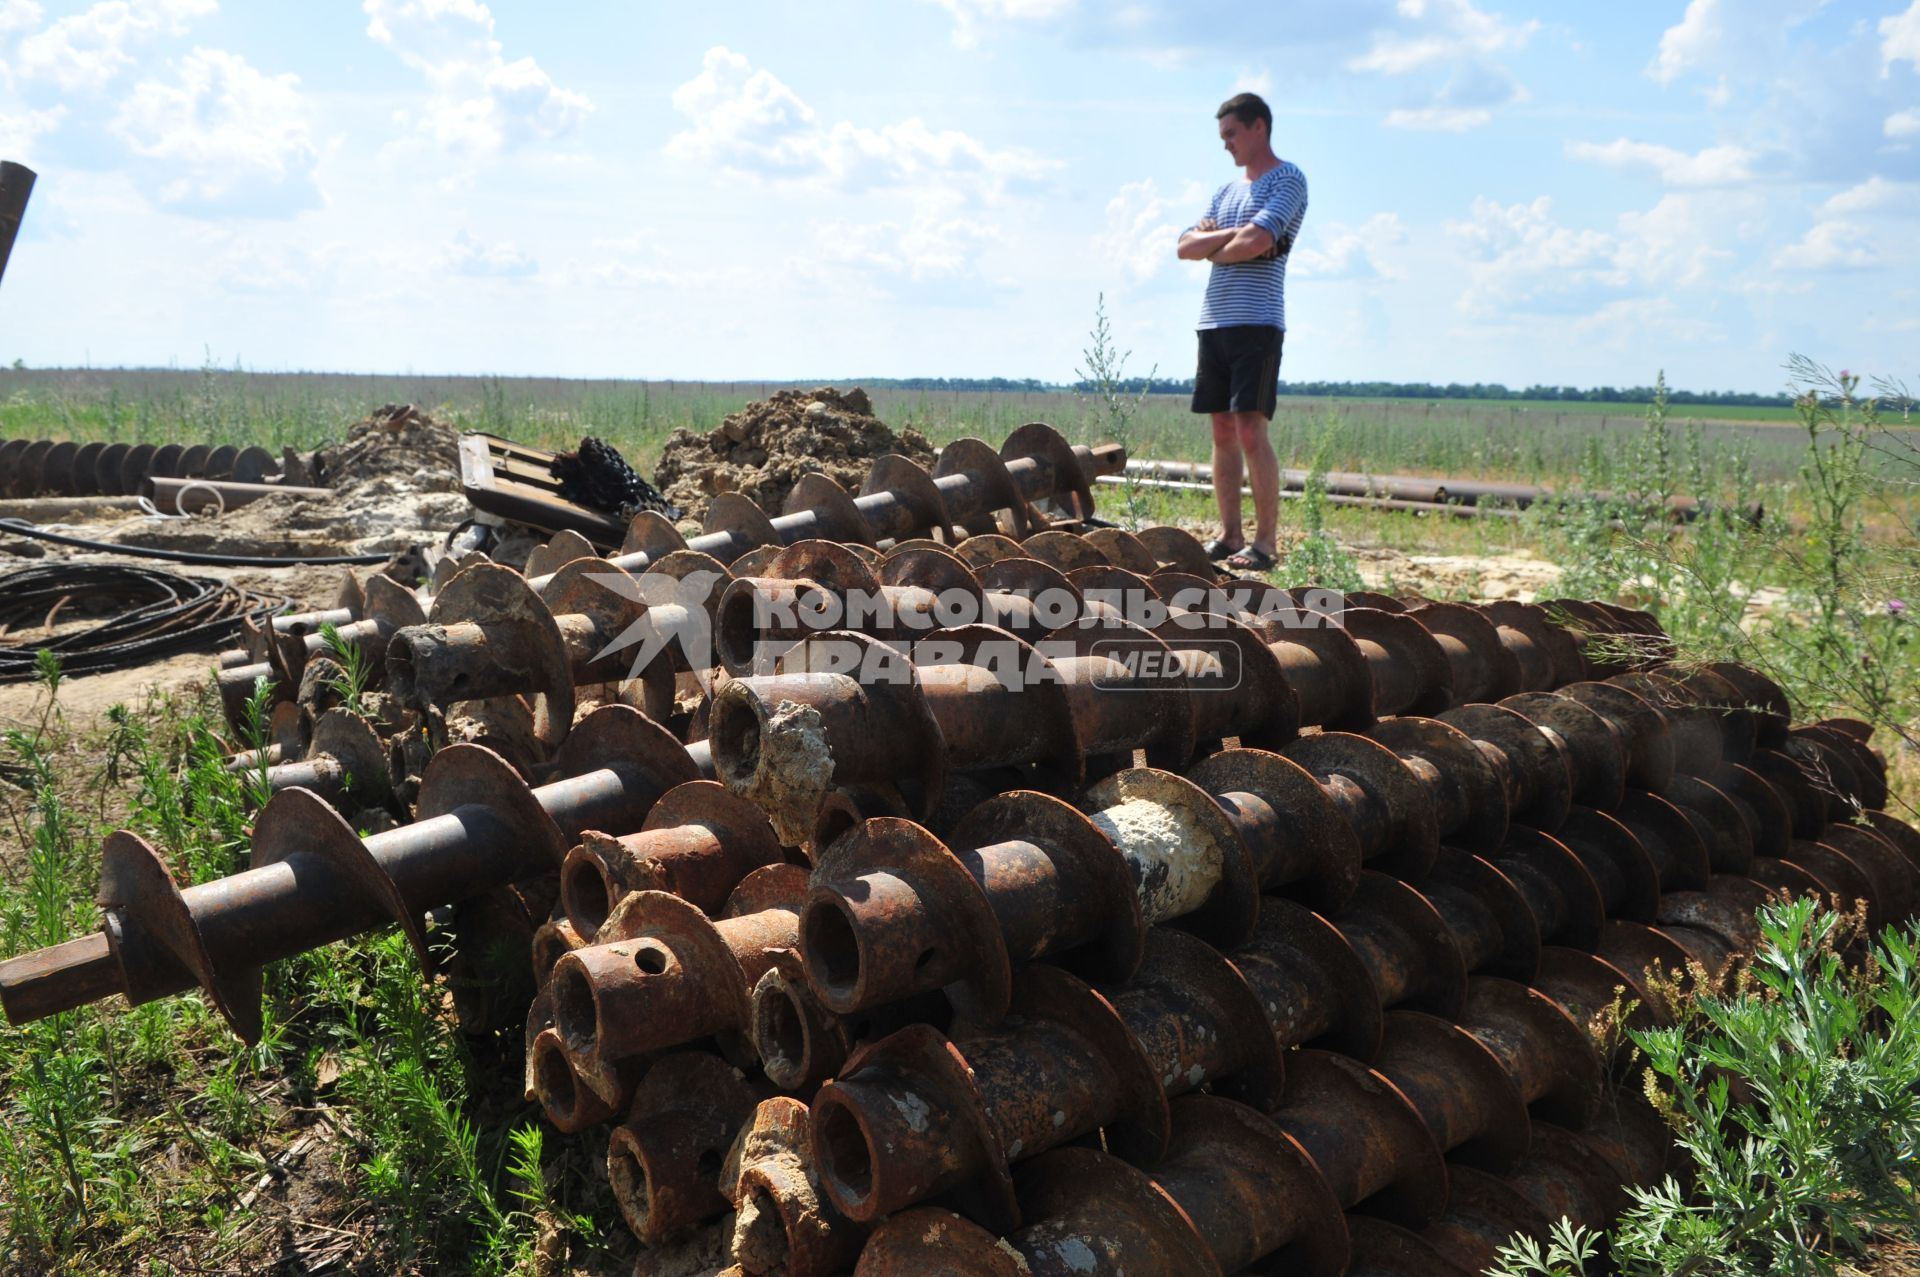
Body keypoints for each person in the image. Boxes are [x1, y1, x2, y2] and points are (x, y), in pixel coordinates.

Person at [1176, 92, 1307, 574]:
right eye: (1222, 136)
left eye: (1231, 134)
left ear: (1258, 128)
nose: (1226, 144)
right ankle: (1230, 535)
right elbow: (1184, 246)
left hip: (1258, 322)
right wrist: (1220, 244)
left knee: (1252, 429)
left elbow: (1256, 241)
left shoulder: (1288, 179)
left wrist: (1217, 244)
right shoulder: (1226, 191)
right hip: (1214, 321)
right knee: (1222, 430)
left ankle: (1265, 543)